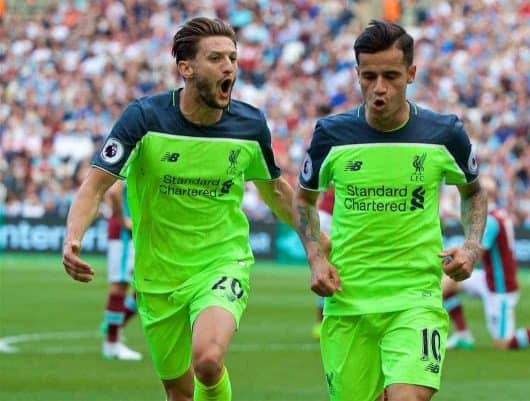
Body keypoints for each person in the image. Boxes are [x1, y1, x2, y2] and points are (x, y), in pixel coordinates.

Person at [63, 17, 298, 401]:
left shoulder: (250, 125)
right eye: (216, 58)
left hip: (221, 262)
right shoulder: (144, 119)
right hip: (158, 278)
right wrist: (73, 237)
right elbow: (95, 186)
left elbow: (276, 191)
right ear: (185, 68)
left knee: (207, 360)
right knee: (179, 393)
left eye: (233, 59)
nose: (229, 67)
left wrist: (315, 240)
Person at [294, 20, 487, 401]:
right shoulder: (332, 135)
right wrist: (316, 258)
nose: (379, 87)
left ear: (411, 73)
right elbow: (304, 200)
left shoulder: (444, 133)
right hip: (348, 302)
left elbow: (474, 194)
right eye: (369, 76)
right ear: (357, 75)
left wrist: (471, 245)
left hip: (415, 300)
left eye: (391, 76)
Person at [443, 175, 530, 352]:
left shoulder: (490, 221)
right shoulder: (497, 214)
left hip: (501, 288)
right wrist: (453, 214)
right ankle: (463, 335)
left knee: (503, 344)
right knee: (446, 285)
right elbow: (476, 223)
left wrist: (450, 259)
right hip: (489, 279)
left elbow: (474, 255)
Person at [101, 180, 141, 360]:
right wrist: (123, 219)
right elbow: (113, 191)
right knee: (120, 286)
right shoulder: (129, 157)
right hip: (125, 235)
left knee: (143, 287)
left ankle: (114, 328)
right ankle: (112, 343)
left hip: (137, 232)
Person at [312, 187, 334, 340]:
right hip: (329, 216)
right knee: (328, 270)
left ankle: (321, 324)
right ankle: (320, 323)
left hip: (335, 216)